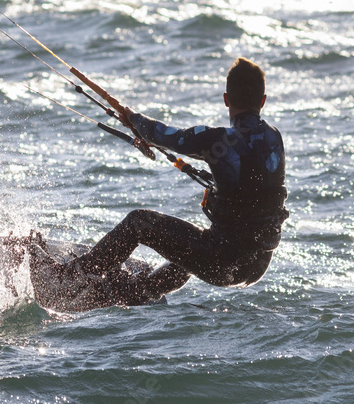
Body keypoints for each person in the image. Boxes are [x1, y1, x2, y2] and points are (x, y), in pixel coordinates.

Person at [42, 57, 289, 304]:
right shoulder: (274, 138)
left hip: (223, 261)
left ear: (226, 99)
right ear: (263, 101)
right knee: (188, 251)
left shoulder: (216, 140)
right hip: (258, 264)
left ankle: (69, 278)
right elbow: (248, 182)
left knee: (139, 222)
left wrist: (133, 118)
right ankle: (139, 290)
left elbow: (168, 137)